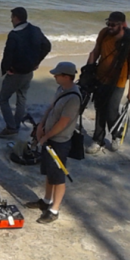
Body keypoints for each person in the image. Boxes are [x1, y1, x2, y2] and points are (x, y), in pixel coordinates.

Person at [25, 62, 83, 224]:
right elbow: (51, 108)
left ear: (66, 76)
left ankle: (54, 209)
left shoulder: (73, 98)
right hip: (49, 137)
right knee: (49, 172)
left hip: (60, 141)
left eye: (57, 75)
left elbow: (63, 122)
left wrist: (46, 136)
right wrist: (41, 125)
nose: (55, 76)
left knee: (58, 176)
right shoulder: (61, 90)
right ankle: (46, 200)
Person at [86, 11, 130, 153]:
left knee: (111, 110)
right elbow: (95, 52)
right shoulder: (104, 33)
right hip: (100, 78)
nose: (110, 27)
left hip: (118, 82)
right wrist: (87, 73)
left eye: (113, 25)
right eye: (108, 23)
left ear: (123, 25)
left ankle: (117, 135)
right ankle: (98, 140)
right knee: (100, 109)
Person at [0, 7, 52, 137]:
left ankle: (11, 128)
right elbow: (47, 46)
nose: (11, 20)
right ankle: (15, 125)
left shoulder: (14, 35)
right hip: (28, 72)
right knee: (21, 98)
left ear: (16, 18)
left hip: (16, 73)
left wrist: (6, 69)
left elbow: (8, 55)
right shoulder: (35, 30)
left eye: (12, 17)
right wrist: (37, 61)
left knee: (3, 99)